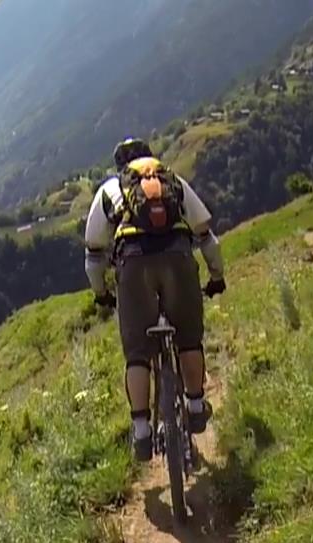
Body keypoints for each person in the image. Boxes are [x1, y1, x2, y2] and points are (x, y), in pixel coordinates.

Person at [85, 137, 227, 461]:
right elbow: (205, 234)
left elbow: (93, 251)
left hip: (133, 265)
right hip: (177, 256)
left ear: (121, 166)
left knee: (137, 354)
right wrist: (216, 276)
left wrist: (101, 294)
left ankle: (141, 431)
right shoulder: (172, 181)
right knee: (189, 338)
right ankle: (194, 405)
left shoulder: (110, 189)